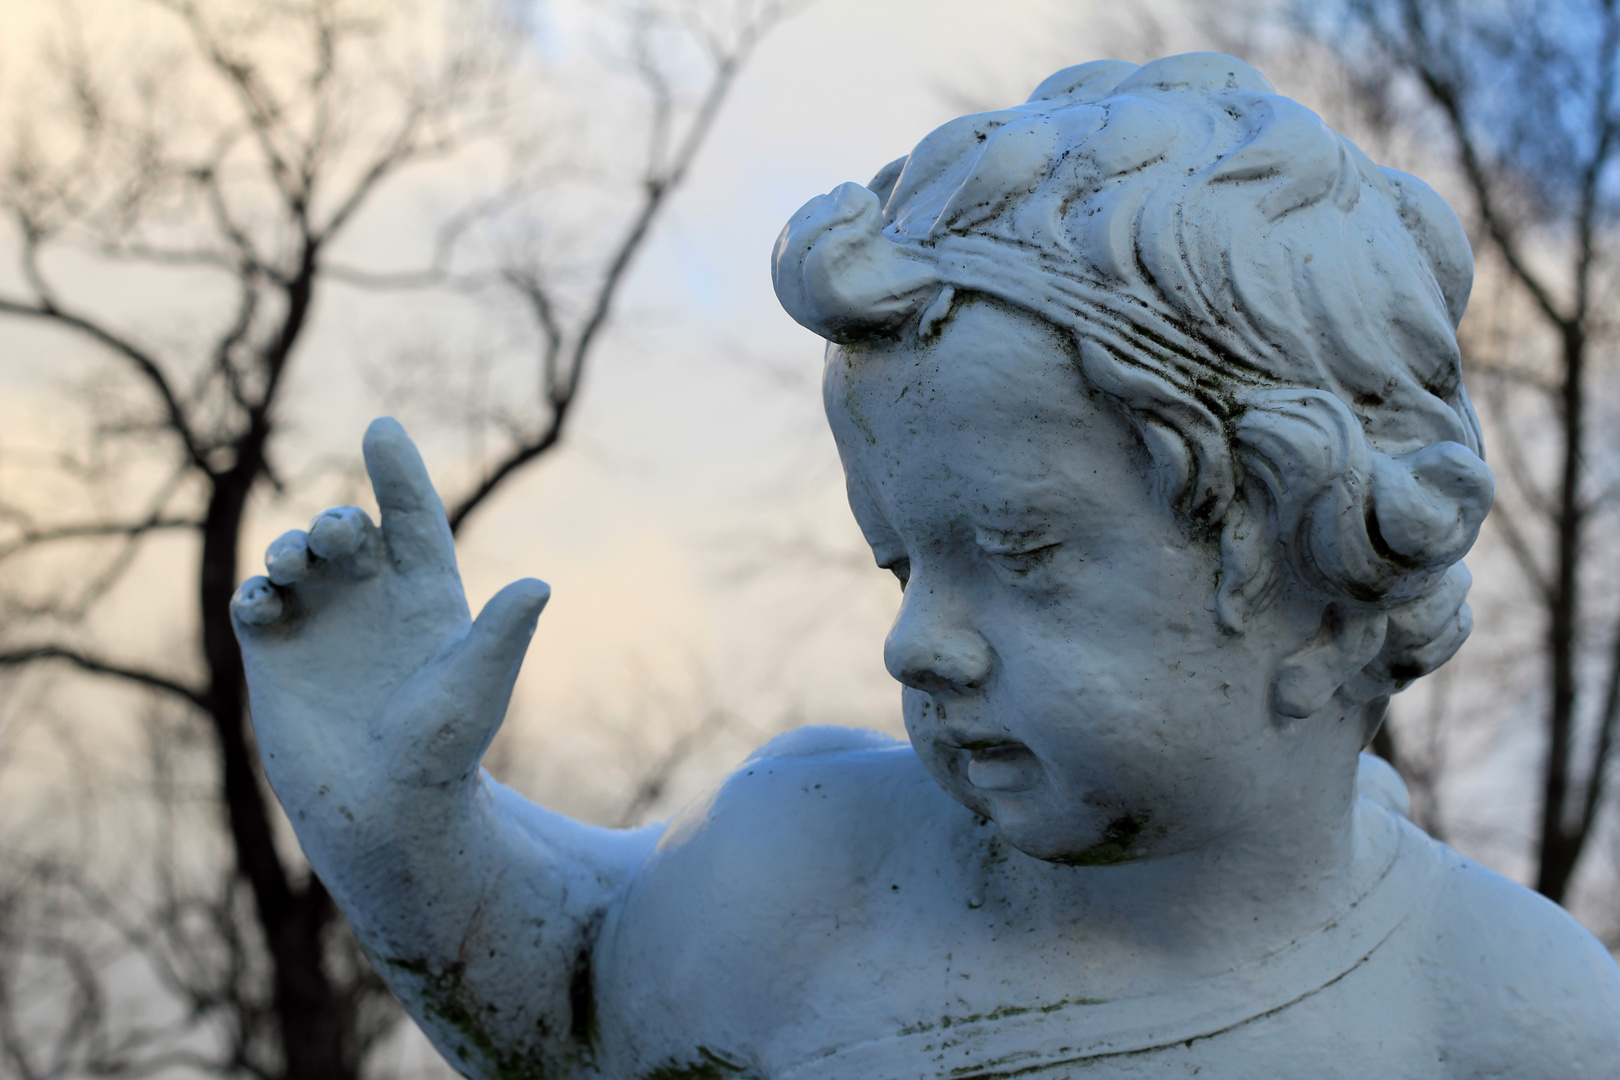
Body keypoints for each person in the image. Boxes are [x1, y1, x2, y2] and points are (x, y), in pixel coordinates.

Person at [232, 53, 1620, 1079]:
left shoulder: (1509, 1018)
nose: (917, 645)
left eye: (1023, 554)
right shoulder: (806, 876)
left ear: (1326, 572)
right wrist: (401, 829)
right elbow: (577, 1012)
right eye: (903, 565)